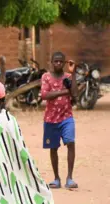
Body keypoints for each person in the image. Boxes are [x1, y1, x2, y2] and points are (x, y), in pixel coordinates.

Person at [41, 52, 78, 189]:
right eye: (55, 61)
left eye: (60, 62)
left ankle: (70, 178)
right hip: (50, 119)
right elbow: (45, 95)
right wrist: (64, 92)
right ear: (51, 62)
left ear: (64, 63)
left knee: (71, 143)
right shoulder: (46, 77)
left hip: (66, 117)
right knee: (53, 148)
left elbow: (74, 94)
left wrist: (73, 74)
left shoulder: (68, 77)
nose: (58, 64)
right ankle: (56, 178)